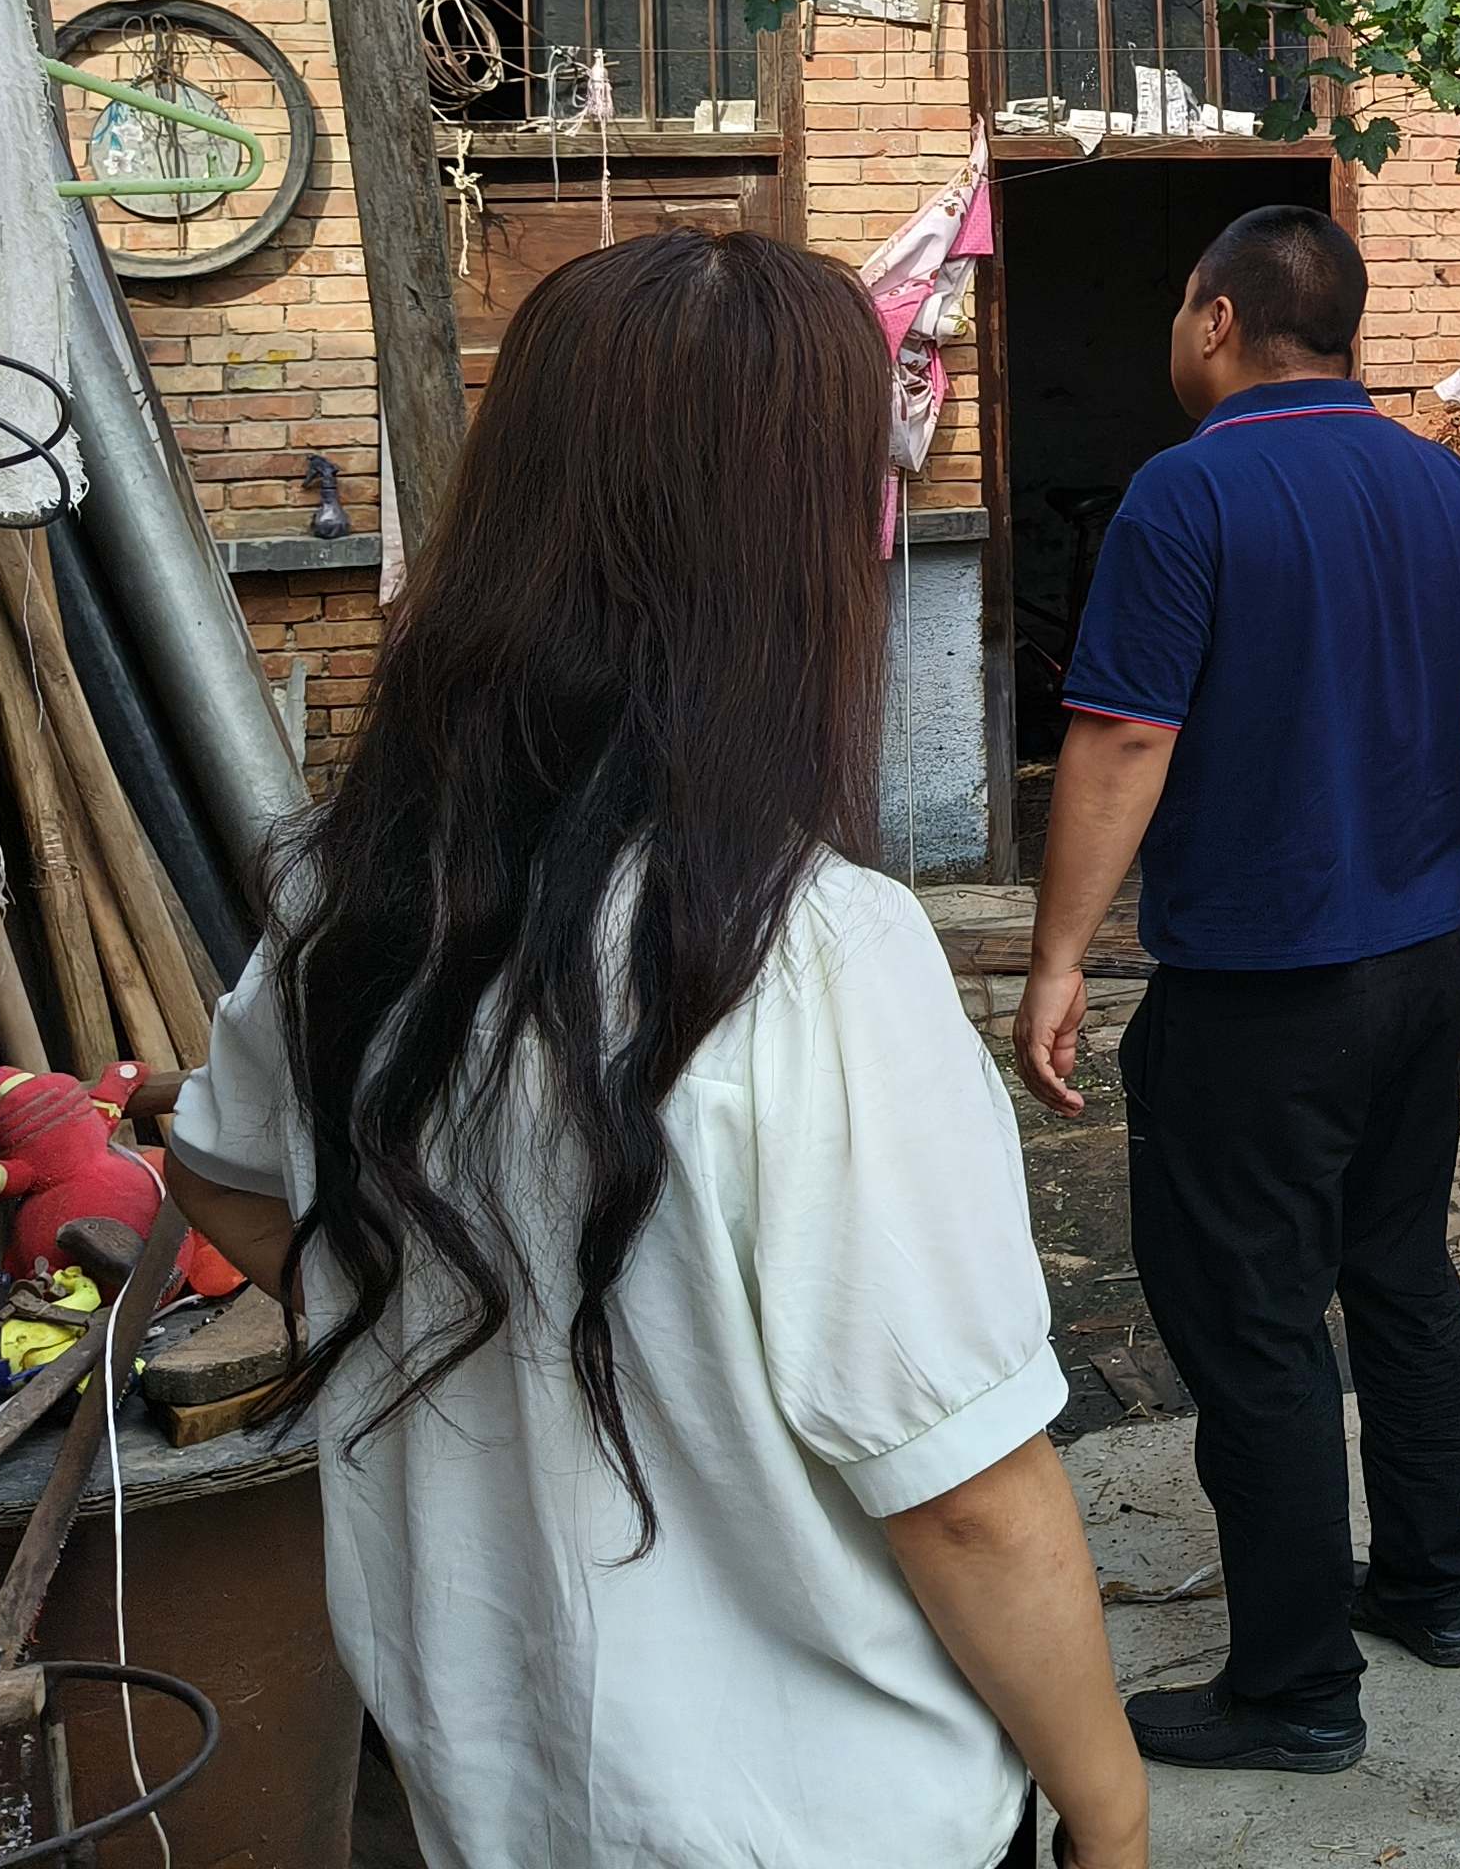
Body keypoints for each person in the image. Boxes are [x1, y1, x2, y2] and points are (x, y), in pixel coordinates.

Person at [165, 228, 1144, 1869]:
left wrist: (454, 1300)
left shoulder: (356, 894)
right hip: (821, 1824)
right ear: (800, 544)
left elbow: (222, 1180)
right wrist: (1111, 1808)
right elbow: (969, 1497)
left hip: (488, 1796)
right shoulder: (817, 953)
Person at [1016, 203, 1460, 1774]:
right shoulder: (1440, 481)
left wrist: (1056, 959)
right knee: (1401, 1269)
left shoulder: (1187, 493)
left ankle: (1298, 1687)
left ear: (1220, 319)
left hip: (1259, 982)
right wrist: (1376, 747)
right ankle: (1431, 1589)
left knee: (1253, 1323)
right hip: (1417, 962)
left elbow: (1124, 736)